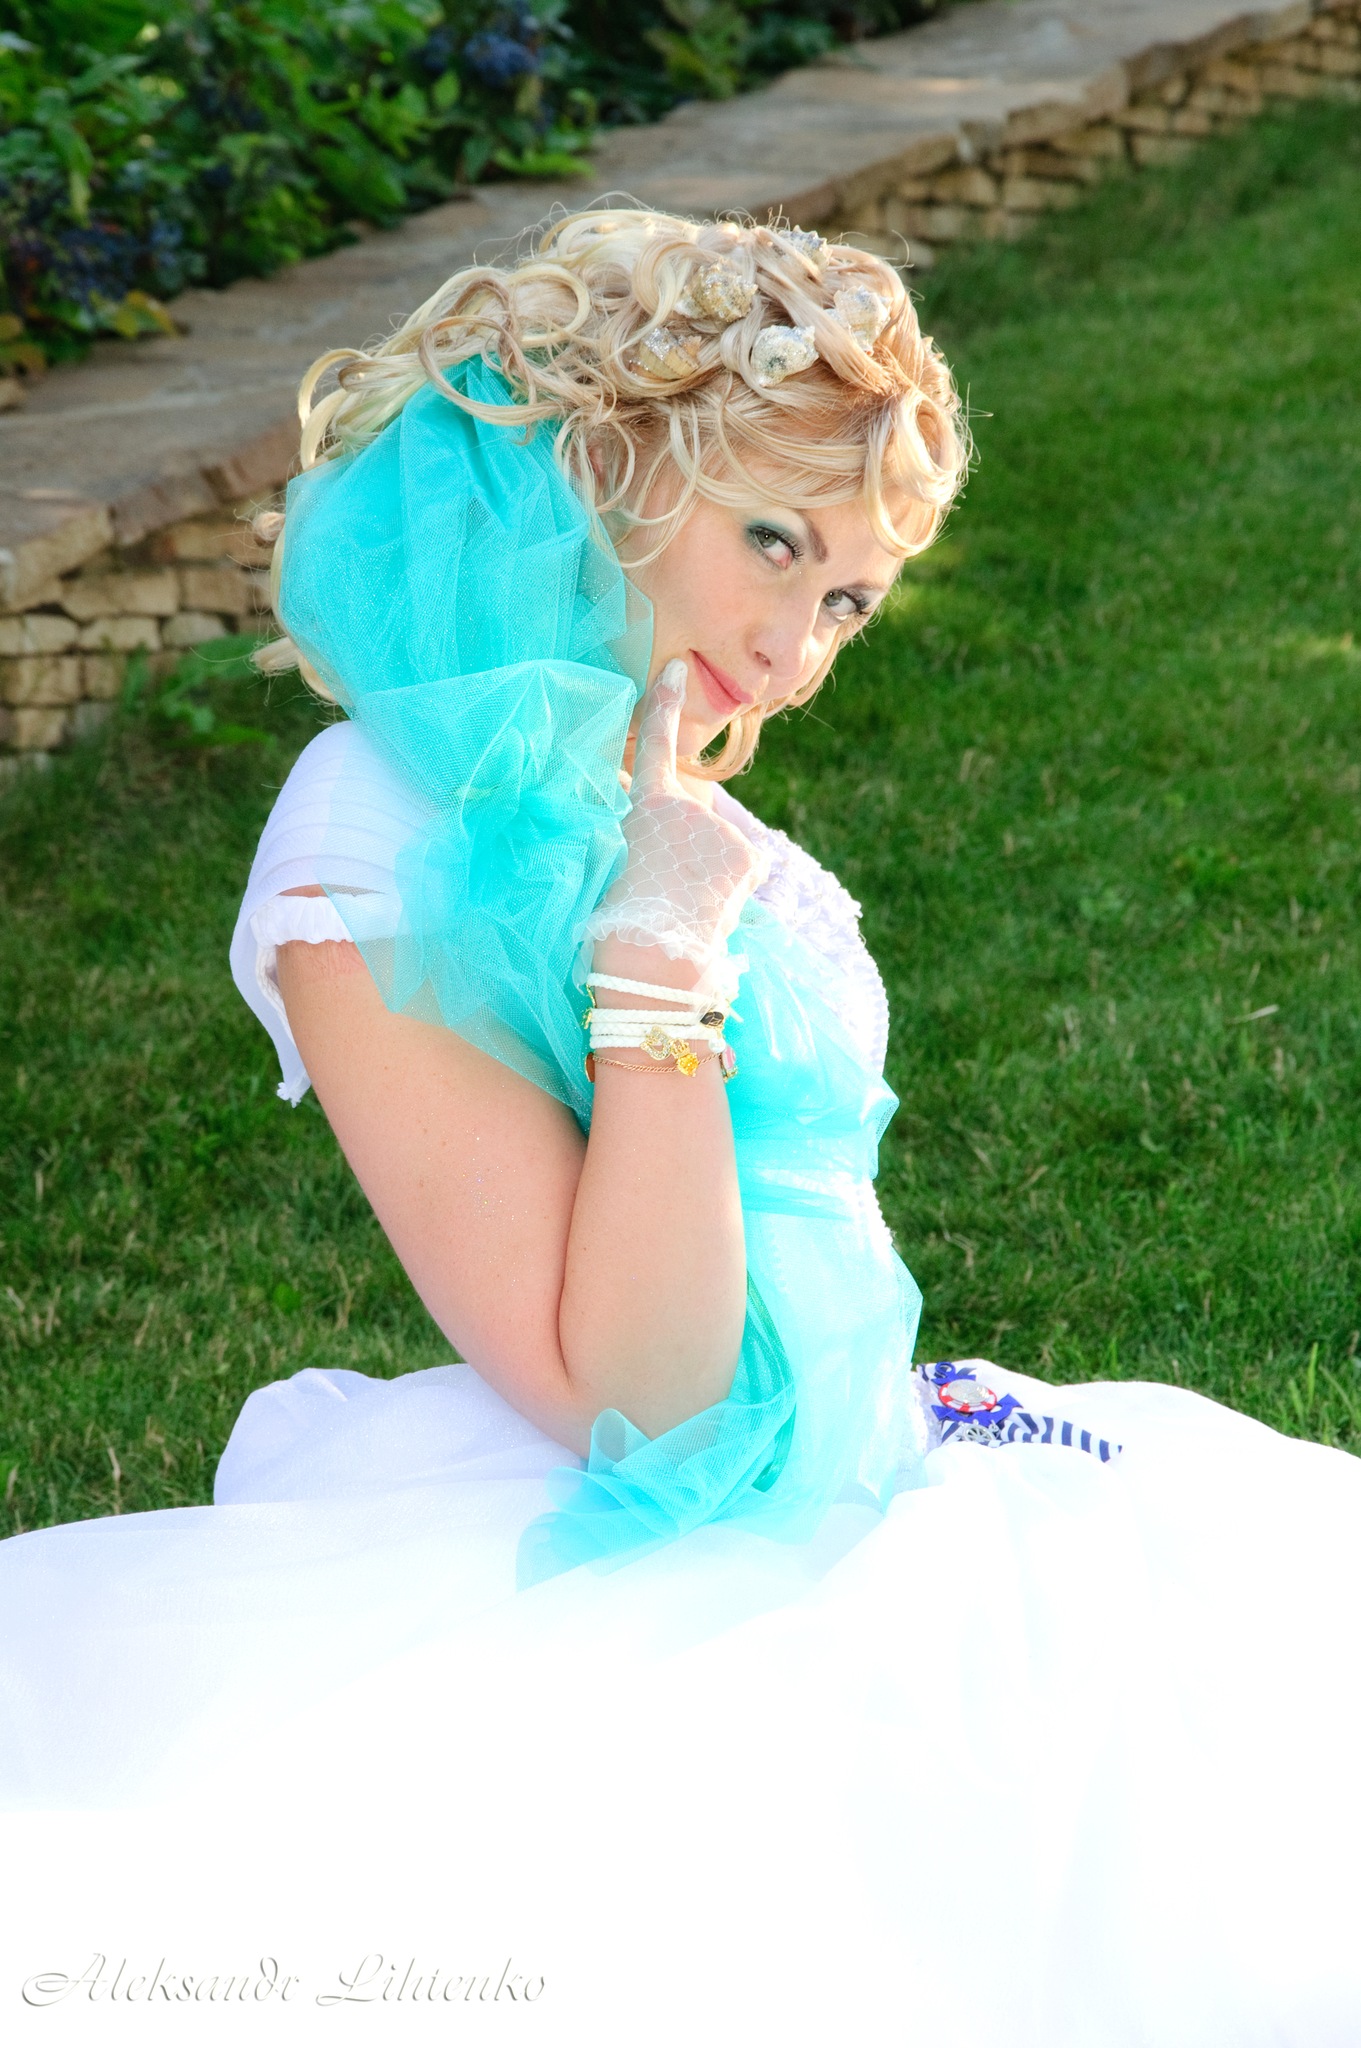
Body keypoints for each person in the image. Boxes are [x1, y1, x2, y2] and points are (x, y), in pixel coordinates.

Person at [0, 206, 1358, 2046]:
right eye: (772, 542)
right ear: (607, 476)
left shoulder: (629, 787)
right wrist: (657, 970)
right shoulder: (373, 825)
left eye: (849, 597)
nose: (793, 650)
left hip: (886, 1464)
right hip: (673, 1536)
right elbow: (637, 1399)